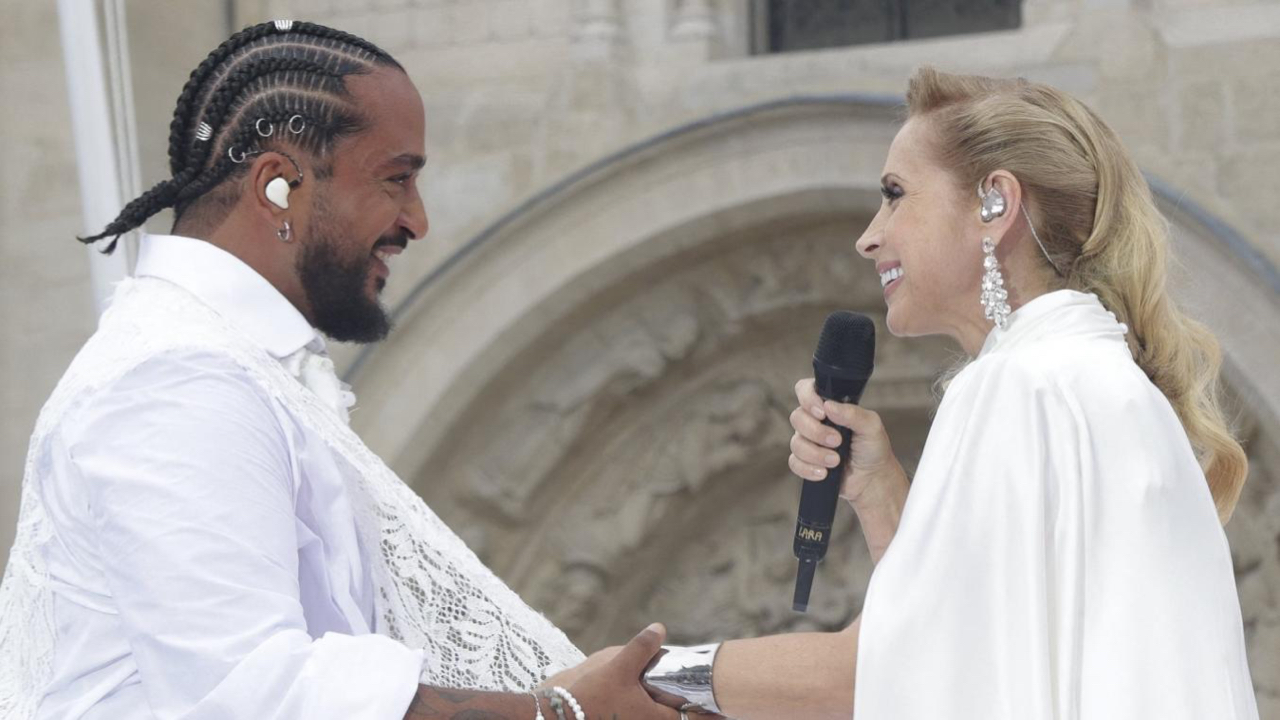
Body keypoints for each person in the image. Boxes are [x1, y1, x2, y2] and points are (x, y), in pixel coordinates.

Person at [0, 20, 679, 720]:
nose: (417, 221)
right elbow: (257, 696)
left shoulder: (222, 364)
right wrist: (558, 713)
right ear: (277, 188)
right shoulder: (176, 380)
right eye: (396, 180)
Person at [559, 67, 1262, 719]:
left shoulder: (1017, 384)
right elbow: (975, 650)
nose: (870, 238)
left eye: (895, 195)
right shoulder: (1102, 383)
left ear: (996, 201)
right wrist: (884, 495)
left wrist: (637, 677)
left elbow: (870, 674)